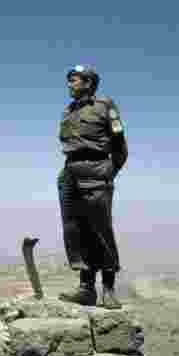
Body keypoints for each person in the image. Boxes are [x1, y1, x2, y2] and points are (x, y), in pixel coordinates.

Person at [56, 65, 129, 309]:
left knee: (100, 230)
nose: (69, 84)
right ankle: (86, 288)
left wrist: (109, 172)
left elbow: (120, 146)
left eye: (74, 80)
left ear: (88, 83)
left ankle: (108, 289)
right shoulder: (69, 110)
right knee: (75, 230)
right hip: (70, 173)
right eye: (69, 80)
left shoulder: (105, 106)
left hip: (96, 172)